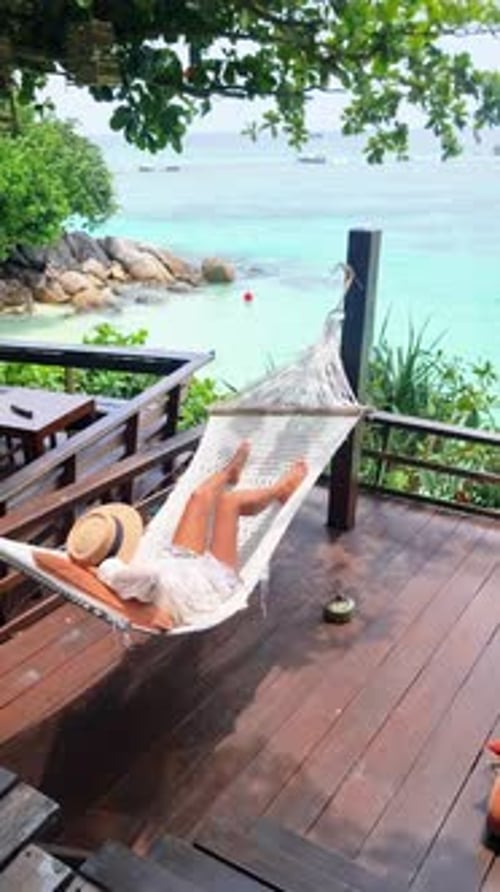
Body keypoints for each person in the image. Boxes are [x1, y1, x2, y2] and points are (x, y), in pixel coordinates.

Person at [65, 443, 307, 626]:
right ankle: (280, 490)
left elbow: (149, 576)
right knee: (230, 502)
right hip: (209, 583)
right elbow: (148, 588)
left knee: (198, 497)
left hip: (177, 567)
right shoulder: (120, 575)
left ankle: (229, 474)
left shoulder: (125, 573)